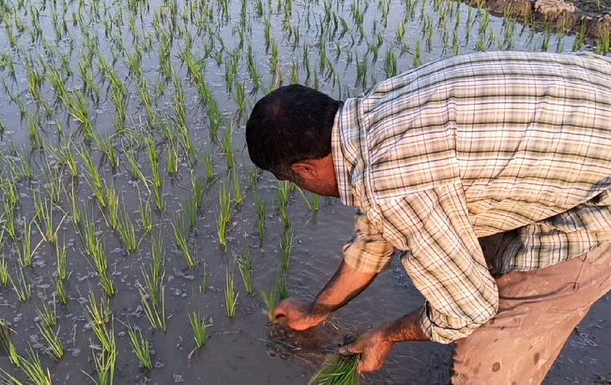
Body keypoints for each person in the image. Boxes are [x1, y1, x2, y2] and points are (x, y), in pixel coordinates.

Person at [244, 51, 611, 385]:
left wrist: (385, 335)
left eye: (292, 181)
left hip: (603, 188)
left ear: (305, 169)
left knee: (481, 369)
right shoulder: (373, 113)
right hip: (594, 92)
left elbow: (467, 310)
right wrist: (315, 312)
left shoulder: (392, 185)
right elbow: (375, 237)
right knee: (473, 253)